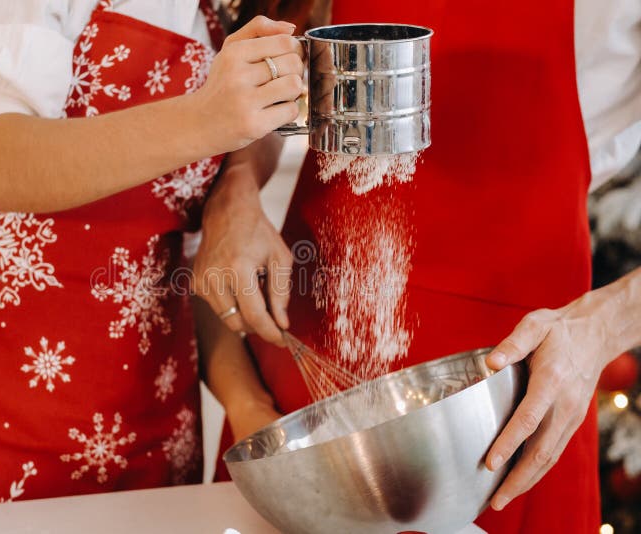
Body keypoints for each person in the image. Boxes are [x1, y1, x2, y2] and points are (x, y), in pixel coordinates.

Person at [0, 0, 306, 515]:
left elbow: (169, 263)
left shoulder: (208, 17)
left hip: (152, 441)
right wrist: (209, 118)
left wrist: (249, 408)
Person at [196, 0, 641, 531]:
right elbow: (276, 65)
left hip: (515, 385)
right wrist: (236, 189)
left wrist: (598, 329)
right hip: (307, 359)